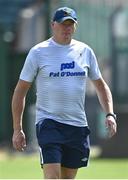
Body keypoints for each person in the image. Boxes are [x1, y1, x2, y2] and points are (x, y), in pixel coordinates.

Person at [12, 7, 117, 179]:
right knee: (52, 177)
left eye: (70, 24)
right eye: (62, 24)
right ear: (53, 25)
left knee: (67, 178)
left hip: (77, 126)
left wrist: (110, 114)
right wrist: (18, 129)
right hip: (49, 124)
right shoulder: (38, 52)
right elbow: (20, 91)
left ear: (75, 27)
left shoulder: (85, 51)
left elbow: (101, 86)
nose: (66, 28)